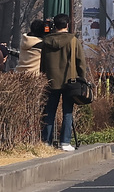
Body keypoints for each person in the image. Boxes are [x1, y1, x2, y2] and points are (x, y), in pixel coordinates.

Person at [38, 14, 85, 151]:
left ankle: (47, 141)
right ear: (67, 25)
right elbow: (81, 62)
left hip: (50, 81)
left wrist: (43, 78)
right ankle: (65, 142)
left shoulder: (46, 41)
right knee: (67, 112)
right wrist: (82, 78)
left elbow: (43, 63)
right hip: (69, 82)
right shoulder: (73, 41)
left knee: (49, 112)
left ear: (55, 25)